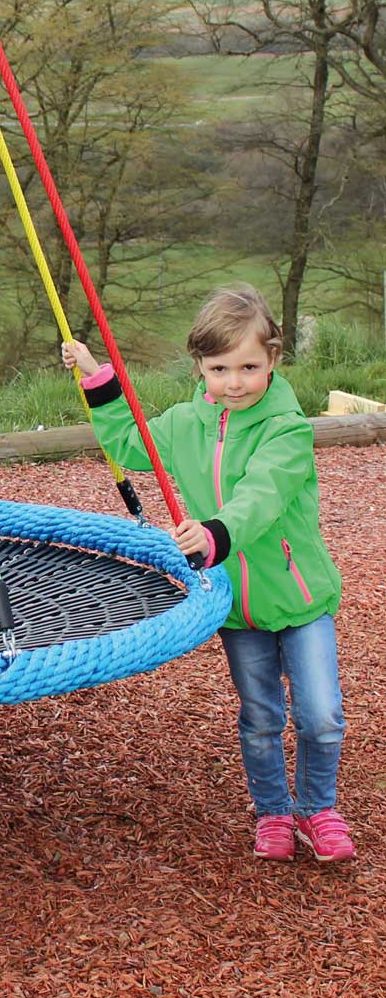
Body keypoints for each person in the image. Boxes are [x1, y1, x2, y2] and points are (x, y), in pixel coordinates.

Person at [61, 284, 354, 863]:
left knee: (320, 715)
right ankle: (272, 812)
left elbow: (261, 497)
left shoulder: (287, 430)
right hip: (236, 608)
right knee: (261, 715)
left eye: (250, 366)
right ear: (200, 368)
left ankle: (319, 808)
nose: (236, 382)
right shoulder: (184, 424)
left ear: (273, 359)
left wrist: (215, 533)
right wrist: (97, 377)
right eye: (221, 368)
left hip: (300, 600)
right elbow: (128, 440)